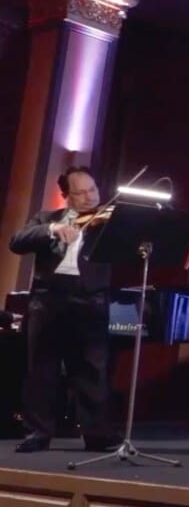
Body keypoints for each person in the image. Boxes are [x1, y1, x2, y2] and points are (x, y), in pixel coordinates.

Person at [8, 166, 120, 453]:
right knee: (41, 370)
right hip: (48, 301)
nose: (89, 197)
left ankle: (96, 434)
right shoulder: (46, 219)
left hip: (90, 301)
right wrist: (52, 230)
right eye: (80, 193)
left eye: (92, 190)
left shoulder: (109, 221)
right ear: (66, 195)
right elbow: (17, 242)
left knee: (92, 370)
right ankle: (38, 432)